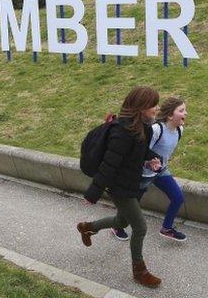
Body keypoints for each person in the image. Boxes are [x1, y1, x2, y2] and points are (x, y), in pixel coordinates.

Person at [76, 86, 164, 288]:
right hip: (119, 187)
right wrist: (93, 192)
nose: (156, 108)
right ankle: (139, 271)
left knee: (121, 221)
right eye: (153, 105)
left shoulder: (145, 127)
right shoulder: (122, 131)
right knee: (140, 227)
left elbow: (139, 151)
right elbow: (110, 163)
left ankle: (87, 228)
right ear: (141, 107)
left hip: (131, 182)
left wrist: (150, 159)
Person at [112, 96, 188, 242]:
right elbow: (141, 150)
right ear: (171, 115)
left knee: (178, 197)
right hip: (143, 174)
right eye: (182, 110)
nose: (186, 113)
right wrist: (146, 165)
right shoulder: (156, 129)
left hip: (160, 171)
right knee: (132, 205)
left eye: (185, 110)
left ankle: (167, 228)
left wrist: (160, 166)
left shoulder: (180, 130)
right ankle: (117, 226)